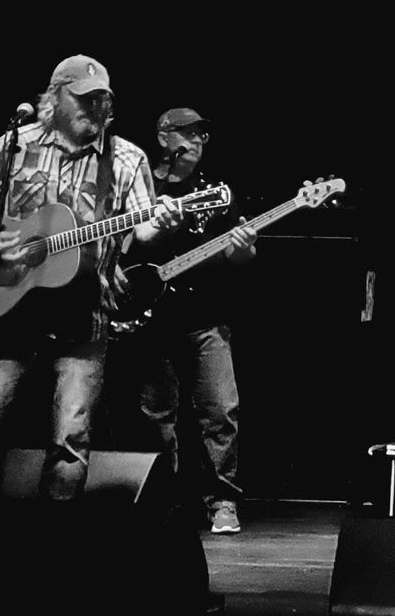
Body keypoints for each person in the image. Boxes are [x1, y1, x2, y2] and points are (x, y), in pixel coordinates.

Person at [0, 54, 182, 500]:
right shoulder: (18, 144)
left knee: (71, 443)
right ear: (55, 97)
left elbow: (143, 230)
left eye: (102, 99)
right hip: (12, 312)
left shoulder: (126, 158)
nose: (95, 108)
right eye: (84, 98)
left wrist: (165, 223)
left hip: (83, 319)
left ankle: (57, 537)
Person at [107, 107, 256, 534]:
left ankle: (223, 501)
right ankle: (164, 501)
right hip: (150, 318)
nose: (196, 141)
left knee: (220, 411)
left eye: (201, 135)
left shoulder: (215, 192)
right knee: (156, 416)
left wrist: (244, 248)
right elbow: (119, 240)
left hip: (207, 315)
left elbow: (240, 257)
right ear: (163, 138)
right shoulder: (141, 185)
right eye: (186, 133)